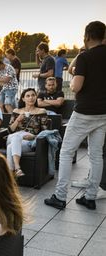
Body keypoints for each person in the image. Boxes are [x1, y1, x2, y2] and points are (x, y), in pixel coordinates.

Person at [45, 21, 106, 211]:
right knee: (96, 155)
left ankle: (60, 196)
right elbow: (73, 68)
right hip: (103, 114)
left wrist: (71, 85)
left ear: (86, 36)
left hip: (85, 112)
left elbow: (76, 85)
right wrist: (80, 55)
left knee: (65, 152)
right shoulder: (87, 57)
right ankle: (90, 197)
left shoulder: (86, 58)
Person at [6, 88, 49, 177]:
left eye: (33, 95)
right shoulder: (16, 111)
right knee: (17, 136)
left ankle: (11, 173)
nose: (31, 98)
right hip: (13, 137)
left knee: (10, 148)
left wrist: (33, 137)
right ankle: (17, 167)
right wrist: (17, 121)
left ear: (36, 97)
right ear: (23, 99)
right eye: (28, 96)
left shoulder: (41, 111)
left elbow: (45, 132)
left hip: (28, 141)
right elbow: (10, 130)